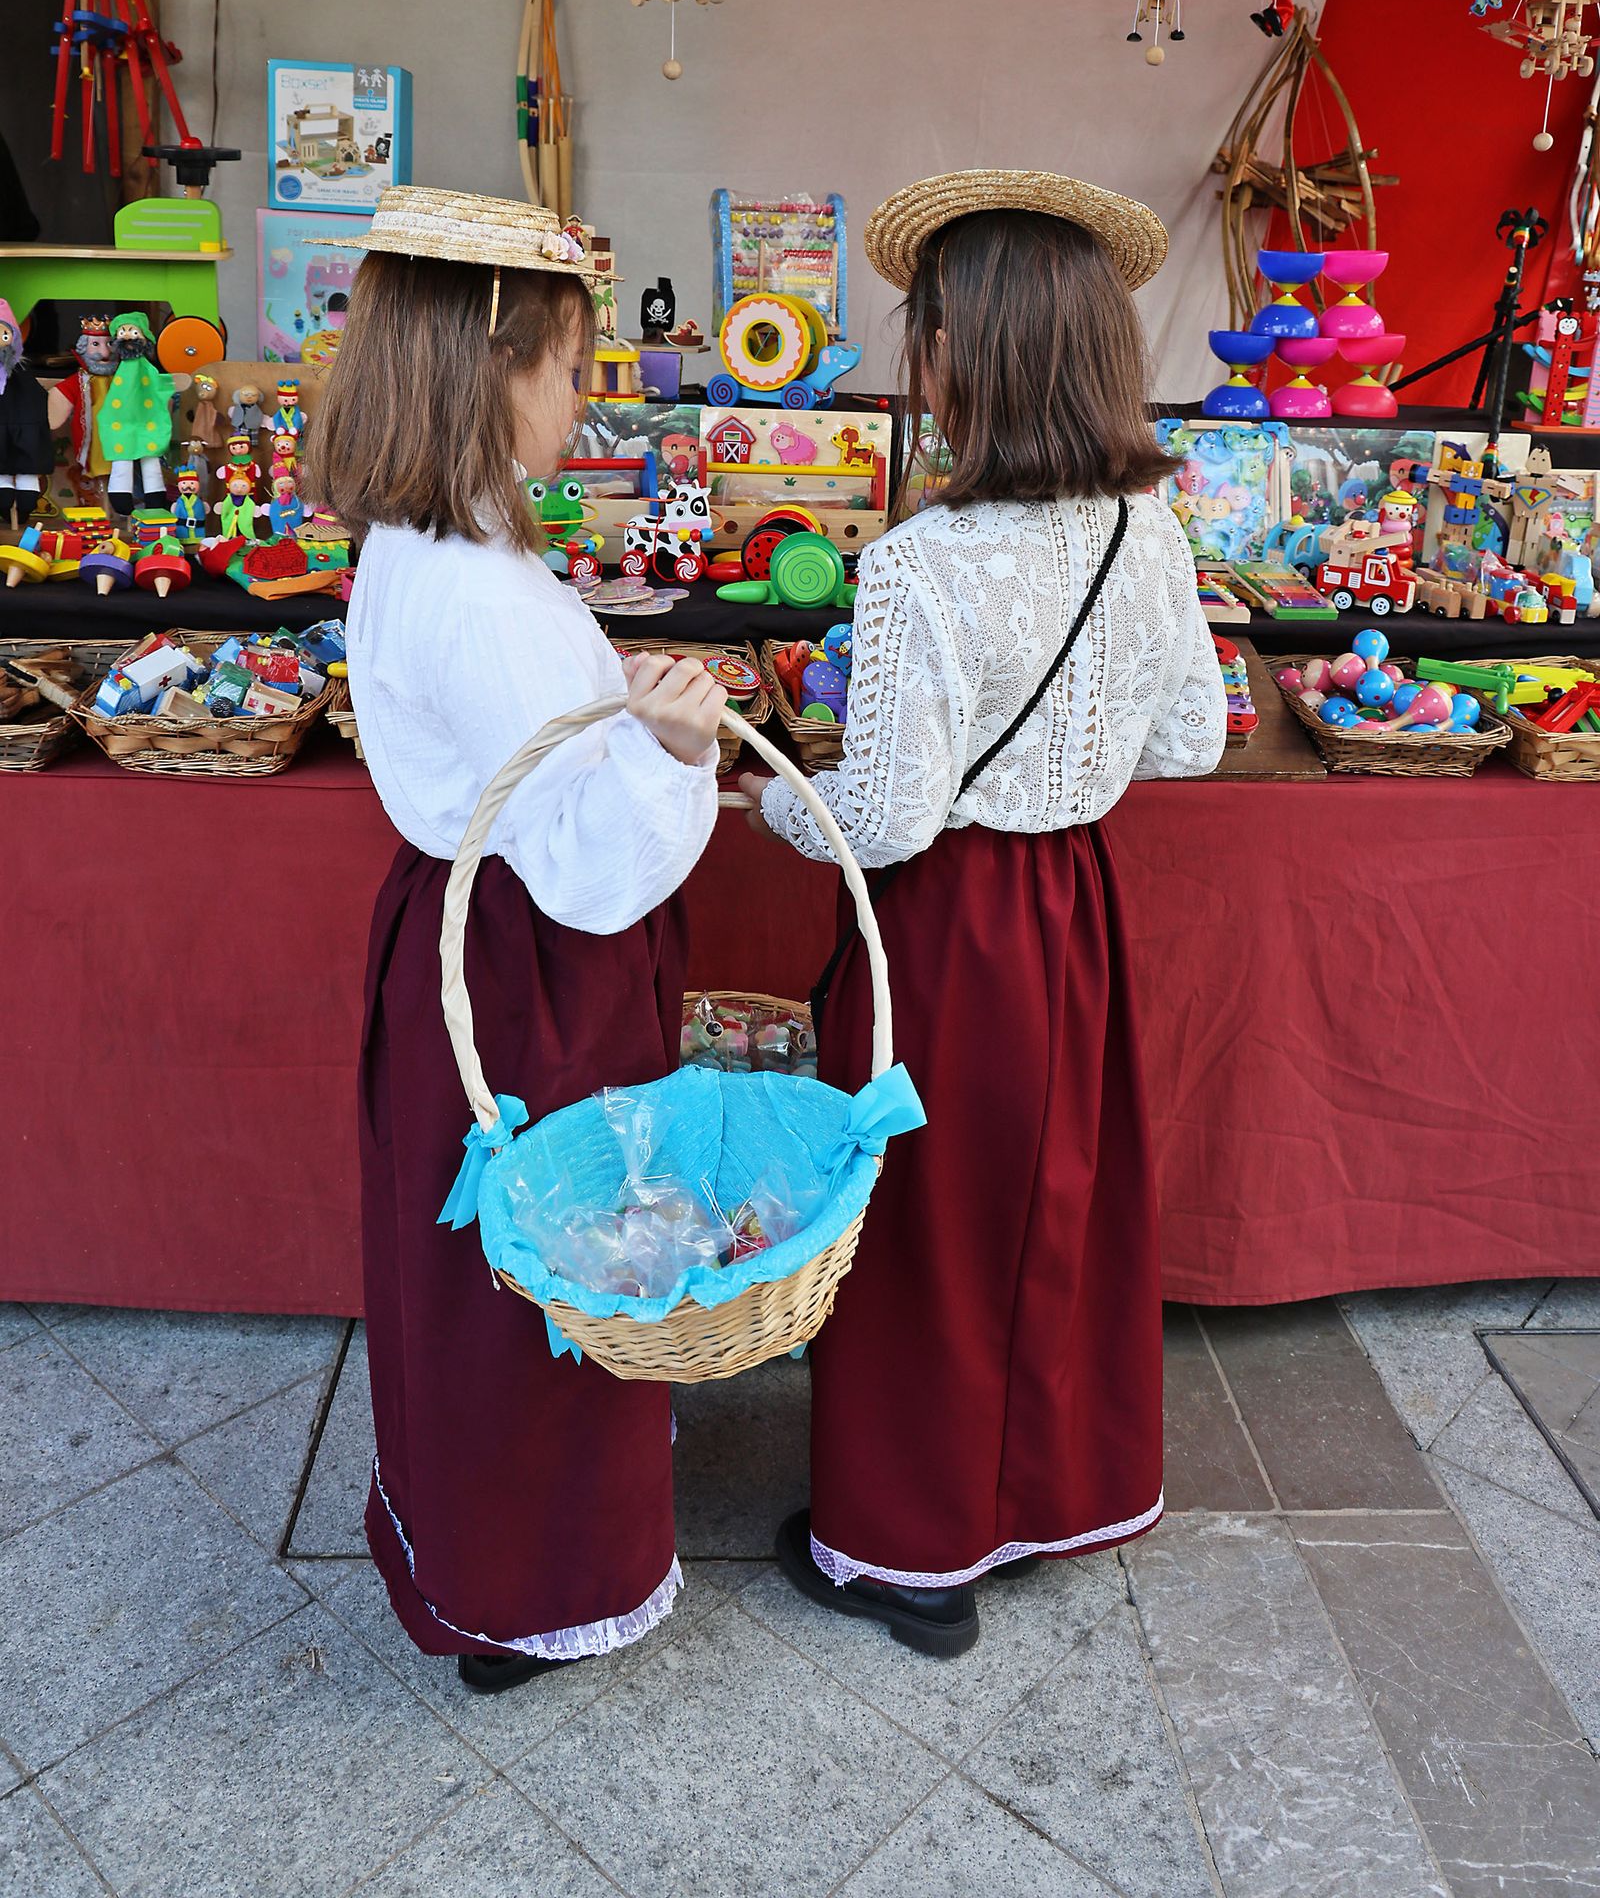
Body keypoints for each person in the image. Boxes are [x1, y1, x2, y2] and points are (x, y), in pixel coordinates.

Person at [740, 169, 1226, 1661]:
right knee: (1054, 1202)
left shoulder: (915, 566)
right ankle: (1052, 1499)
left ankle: (911, 1550)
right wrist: (1069, 753)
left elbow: (887, 817)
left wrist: (765, 799)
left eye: (928, 330)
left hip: (953, 925)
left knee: (928, 1229)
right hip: (1074, 910)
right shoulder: (1151, 532)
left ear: (969, 353)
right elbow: (1191, 740)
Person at [308, 186, 725, 1694]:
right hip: (530, 965)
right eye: (570, 366)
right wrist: (677, 751)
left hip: (467, 938)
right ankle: (535, 1579)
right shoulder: (480, 592)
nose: (581, 400)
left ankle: (480, 1543)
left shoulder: (422, 546)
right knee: (552, 1266)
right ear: (493, 364)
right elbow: (590, 869)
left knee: (480, 1269)